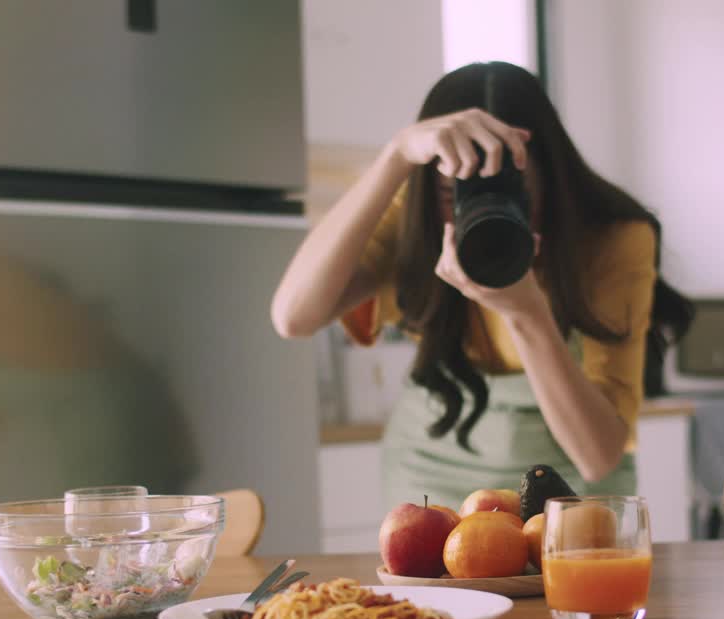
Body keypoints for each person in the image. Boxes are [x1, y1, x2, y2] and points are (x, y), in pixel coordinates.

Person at [271, 61, 693, 511]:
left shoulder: (612, 239)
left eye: (511, 189)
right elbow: (293, 317)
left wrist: (525, 312)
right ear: (431, 185)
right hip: (429, 479)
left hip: (567, 495)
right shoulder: (416, 219)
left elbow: (597, 457)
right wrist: (395, 156)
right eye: (459, 194)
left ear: (549, 172)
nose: (486, 211)